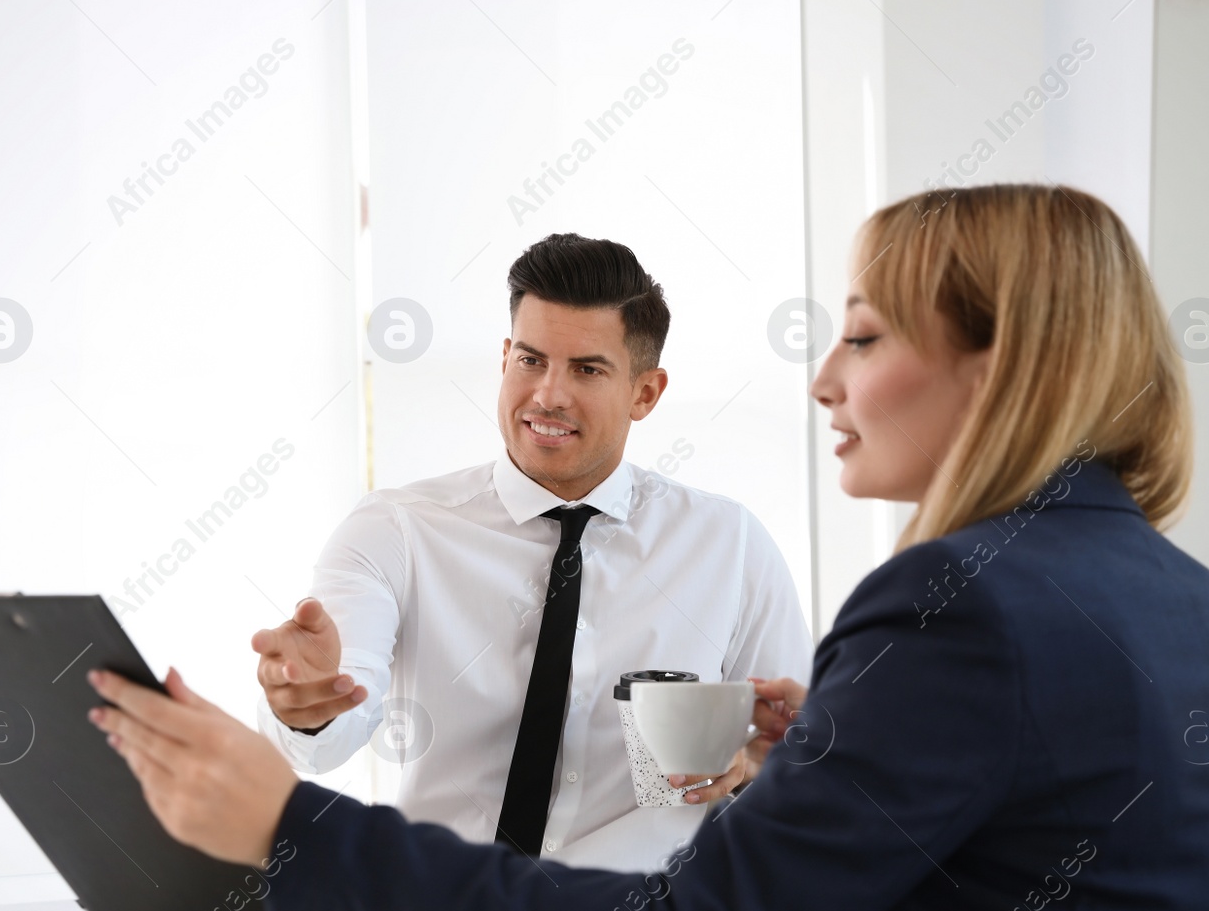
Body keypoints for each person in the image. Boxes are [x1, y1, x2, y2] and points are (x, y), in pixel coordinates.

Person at [88, 184, 1209, 911]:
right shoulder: (1204, 603)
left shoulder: (952, 602)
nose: (824, 378)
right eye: (523, 356)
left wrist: (296, 830)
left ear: (1001, 370)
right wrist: (821, 768)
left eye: (865, 337)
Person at [249, 232, 812, 872]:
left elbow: (794, 765)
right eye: (531, 360)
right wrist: (308, 705)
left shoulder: (730, 545)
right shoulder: (397, 530)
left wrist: (749, 769)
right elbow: (329, 733)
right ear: (505, 359)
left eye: (588, 369)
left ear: (646, 393)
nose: (548, 395)